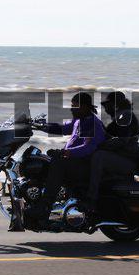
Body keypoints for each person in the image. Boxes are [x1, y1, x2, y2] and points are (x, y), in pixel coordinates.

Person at [31, 92, 105, 220]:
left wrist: (66, 152)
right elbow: (63, 128)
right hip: (75, 161)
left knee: (58, 164)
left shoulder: (91, 123)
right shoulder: (79, 120)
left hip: (84, 165)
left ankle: (44, 207)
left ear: (85, 107)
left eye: (75, 106)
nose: (71, 109)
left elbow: (88, 148)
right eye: (72, 106)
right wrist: (40, 126)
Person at [84, 91, 139, 213]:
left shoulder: (125, 116)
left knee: (99, 157)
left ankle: (91, 200)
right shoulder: (120, 117)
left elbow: (122, 141)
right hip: (121, 158)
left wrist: (99, 146)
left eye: (107, 105)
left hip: (127, 160)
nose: (105, 109)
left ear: (115, 105)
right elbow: (105, 133)